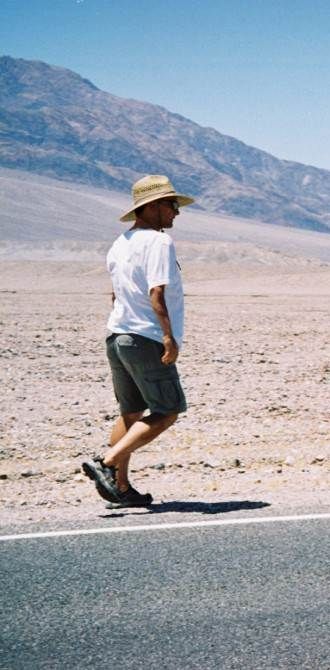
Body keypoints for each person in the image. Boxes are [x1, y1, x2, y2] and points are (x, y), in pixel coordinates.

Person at [81, 175, 193, 508]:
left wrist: (126, 326)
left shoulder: (120, 243)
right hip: (145, 337)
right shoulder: (158, 242)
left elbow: (115, 295)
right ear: (153, 207)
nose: (176, 212)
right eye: (172, 205)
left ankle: (120, 488)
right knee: (168, 410)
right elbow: (156, 292)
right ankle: (107, 463)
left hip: (118, 336)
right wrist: (168, 337)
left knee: (131, 413)